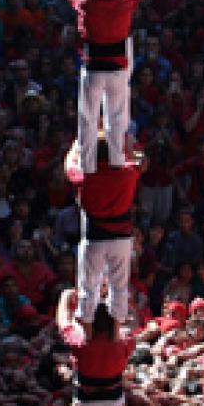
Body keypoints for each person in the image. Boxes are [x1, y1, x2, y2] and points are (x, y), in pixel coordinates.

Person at [67, 0, 143, 172]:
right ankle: (117, 160)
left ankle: (87, 164)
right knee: (116, 118)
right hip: (117, 68)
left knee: (88, 118)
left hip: (93, 68)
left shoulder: (85, 0)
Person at [66, 138, 143, 325]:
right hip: (121, 239)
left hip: (95, 238)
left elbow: (69, 165)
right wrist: (128, 140)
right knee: (119, 287)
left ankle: (87, 330)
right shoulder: (127, 173)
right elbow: (141, 160)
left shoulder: (86, 176)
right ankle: (116, 330)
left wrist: (76, 146)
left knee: (88, 288)